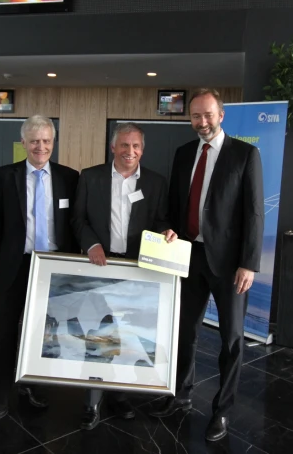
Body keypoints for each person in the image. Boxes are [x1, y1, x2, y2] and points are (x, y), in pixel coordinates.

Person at [149, 88, 264, 442]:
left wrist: (249, 264)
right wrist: (168, 226)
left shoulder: (245, 154)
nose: (202, 122)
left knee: (231, 339)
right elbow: (173, 203)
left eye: (208, 115)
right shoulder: (184, 153)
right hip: (187, 257)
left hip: (230, 264)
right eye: (195, 116)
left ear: (221, 114)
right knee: (185, 331)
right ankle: (182, 395)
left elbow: (254, 213)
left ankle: (222, 411)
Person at [0, 115, 79, 435]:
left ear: (53, 143)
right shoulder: (5, 176)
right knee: (5, 333)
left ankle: (31, 384)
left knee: (45, 333)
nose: (41, 146)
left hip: (53, 268)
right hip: (14, 265)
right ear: (23, 144)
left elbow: (75, 224)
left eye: (46, 141)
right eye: (34, 141)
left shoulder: (69, 178)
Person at [72, 122, 177, 430]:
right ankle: (92, 402)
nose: (130, 152)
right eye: (124, 145)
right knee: (96, 331)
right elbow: (78, 219)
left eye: (136, 147)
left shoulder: (156, 183)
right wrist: (91, 243)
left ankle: (118, 396)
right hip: (99, 266)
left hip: (136, 270)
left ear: (142, 150)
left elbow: (161, 220)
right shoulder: (90, 177)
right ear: (113, 147)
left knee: (126, 334)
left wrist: (166, 233)